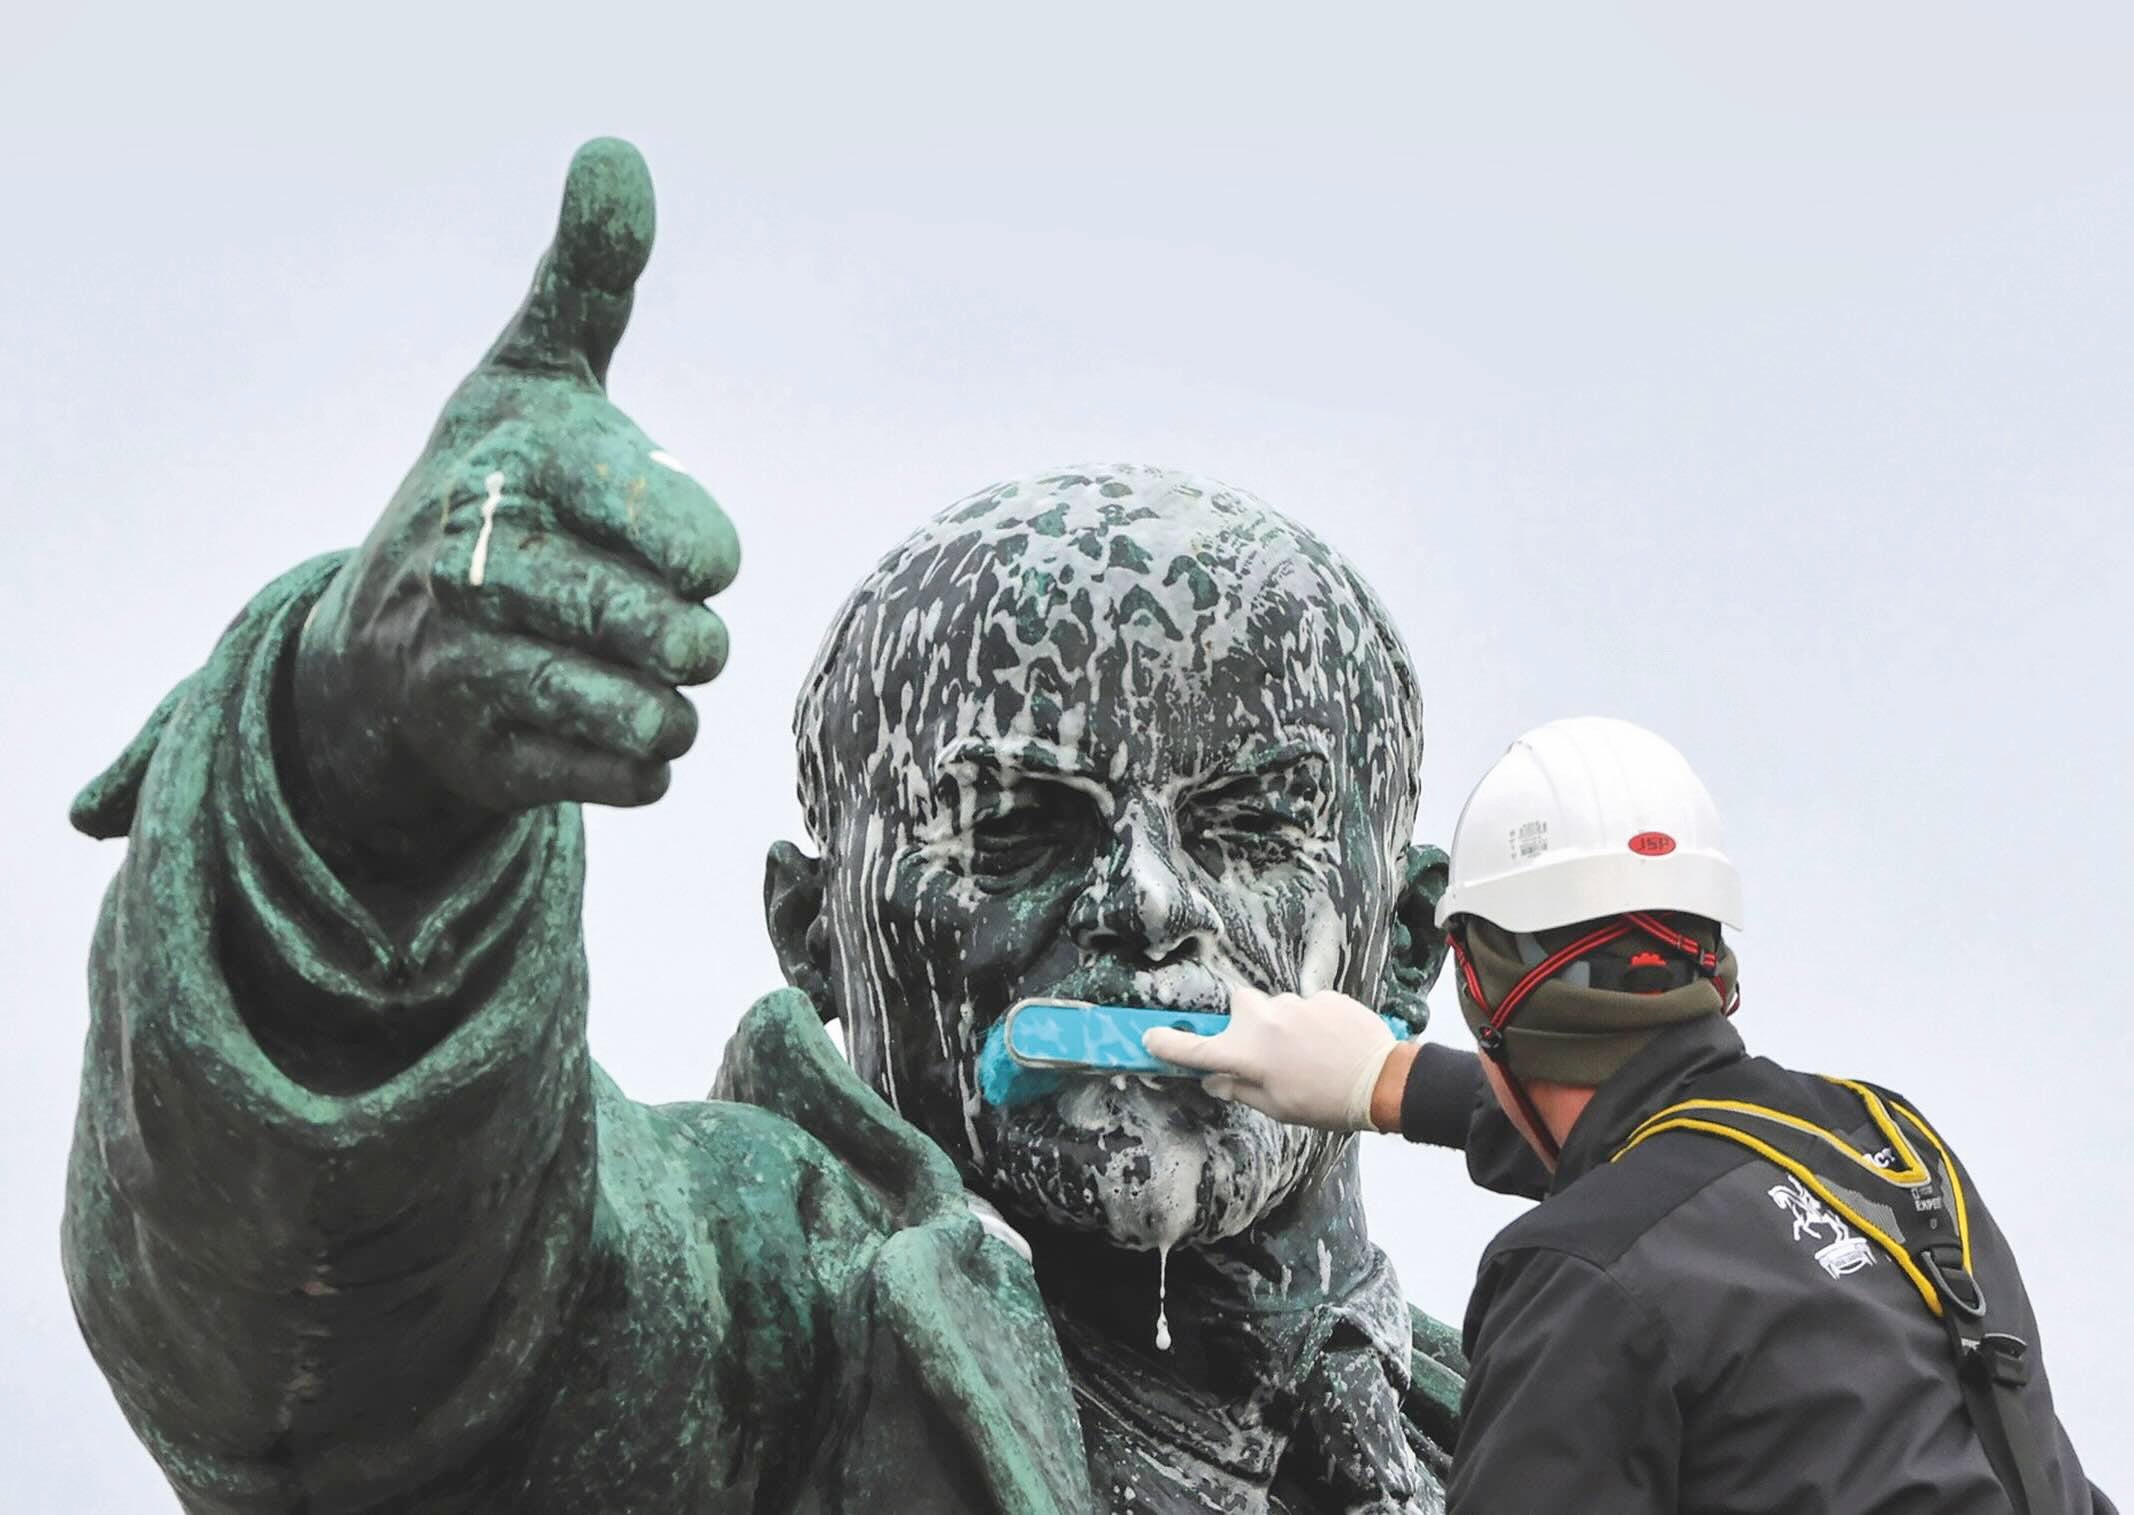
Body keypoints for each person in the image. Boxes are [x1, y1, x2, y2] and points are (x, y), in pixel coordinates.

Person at [63, 138, 1466, 1514]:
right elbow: (354, 1328)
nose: (1150, 903)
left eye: (1244, 826)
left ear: (1402, 940)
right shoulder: (738, 1341)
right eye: (1014, 826)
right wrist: (367, 788)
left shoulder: (1567, 1398)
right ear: (814, 931)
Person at [1147, 716, 2116, 1514]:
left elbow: (1641, 1213)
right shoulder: (1884, 1143)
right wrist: (1381, 1079)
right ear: (1710, 951)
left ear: (1475, 982)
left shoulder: (1583, 1280)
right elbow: (1683, 1175)